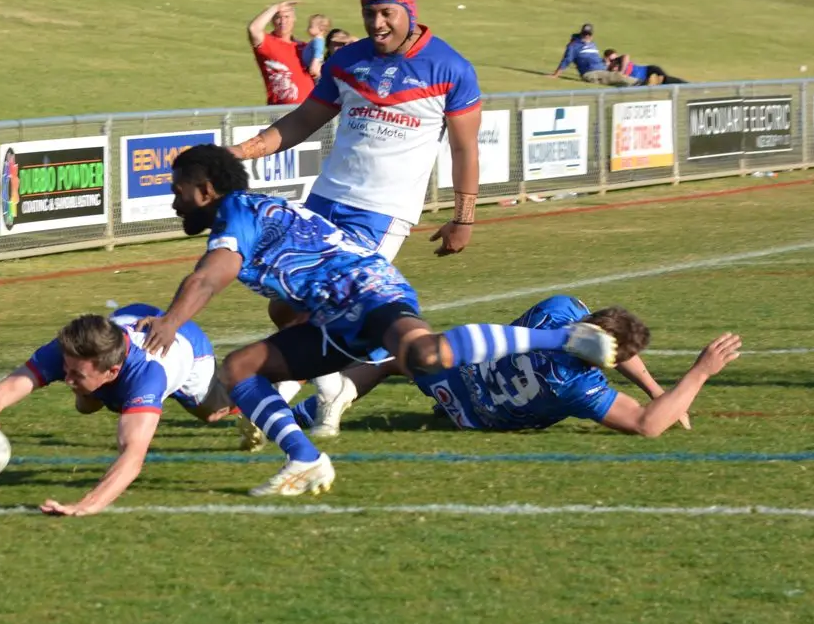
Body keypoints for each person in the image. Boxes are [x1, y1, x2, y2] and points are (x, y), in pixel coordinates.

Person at [134, 145, 616, 497]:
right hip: (334, 317)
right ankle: (305, 460)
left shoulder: (236, 212)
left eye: (178, 191)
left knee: (424, 355)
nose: (175, 202)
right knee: (239, 369)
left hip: (363, 288)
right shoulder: (252, 213)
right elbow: (284, 295)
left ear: (205, 190)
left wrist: (171, 321)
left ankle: (564, 337)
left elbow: (207, 279)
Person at [230, 0, 483, 447]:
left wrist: (462, 218)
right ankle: (330, 388)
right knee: (285, 307)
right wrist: (240, 152)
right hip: (325, 200)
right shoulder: (347, 61)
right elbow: (304, 119)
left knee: (327, 309)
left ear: (409, 9)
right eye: (370, 12)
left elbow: (465, 150)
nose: (377, 23)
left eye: (387, 12)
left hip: (381, 214)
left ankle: (280, 399)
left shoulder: (451, 68)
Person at [288, 296, 738, 438]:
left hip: (460, 374)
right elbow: (646, 425)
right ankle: (310, 414)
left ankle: (302, 414)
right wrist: (699, 372)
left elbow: (607, 339)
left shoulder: (559, 310)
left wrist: (656, 388)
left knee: (391, 359)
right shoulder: (576, 384)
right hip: (480, 416)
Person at [0, 304, 232, 517]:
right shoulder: (67, 352)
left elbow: (132, 456)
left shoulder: (147, 377)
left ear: (113, 371)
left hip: (190, 351)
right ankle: (93, 391)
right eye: (66, 370)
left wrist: (88, 504)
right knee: (86, 404)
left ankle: (257, 390)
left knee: (211, 413)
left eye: (76, 375)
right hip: (130, 320)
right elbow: (8, 387)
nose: (66, 379)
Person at [247, 0, 314, 106]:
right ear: (272, 20)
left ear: (294, 19)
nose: (283, 21)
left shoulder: (304, 47)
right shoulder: (267, 43)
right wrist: (275, 7)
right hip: (280, 111)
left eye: (287, 17)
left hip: (309, 109)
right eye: (278, 17)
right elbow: (253, 29)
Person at [550, 23, 631, 87]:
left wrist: (607, 63)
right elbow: (567, 60)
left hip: (602, 70)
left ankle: (638, 82)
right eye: (585, 34)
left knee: (625, 63)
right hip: (591, 73)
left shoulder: (592, 44)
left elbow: (595, 59)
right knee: (618, 77)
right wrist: (556, 75)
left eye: (588, 34)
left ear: (591, 35)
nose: (587, 36)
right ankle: (640, 84)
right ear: (581, 33)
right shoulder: (574, 45)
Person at [603, 49, 687, 86]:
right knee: (665, 84)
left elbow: (626, 56)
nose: (614, 61)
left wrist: (621, 71)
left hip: (648, 71)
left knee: (667, 80)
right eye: (611, 60)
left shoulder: (620, 61)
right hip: (644, 80)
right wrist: (607, 64)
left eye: (615, 58)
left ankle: (687, 85)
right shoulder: (609, 70)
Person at [301, 13, 332, 80]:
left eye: (311, 27)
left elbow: (317, 54)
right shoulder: (316, 40)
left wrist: (314, 65)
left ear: (321, 29)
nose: (308, 29)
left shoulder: (318, 41)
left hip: (315, 68)